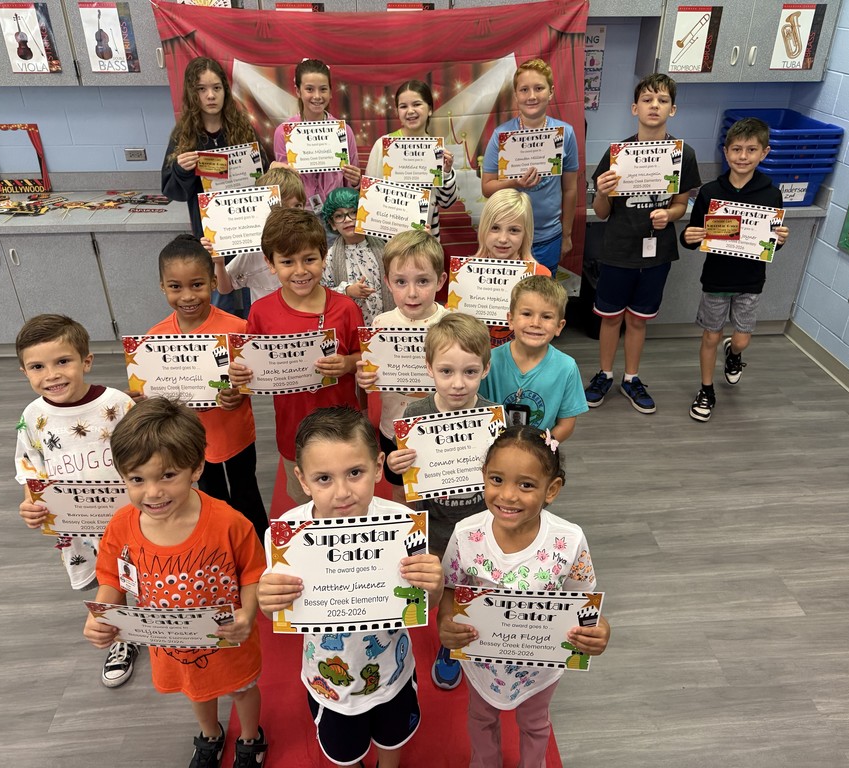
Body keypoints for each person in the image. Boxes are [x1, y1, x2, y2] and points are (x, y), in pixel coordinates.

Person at [83, 398, 266, 768]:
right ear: (122, 476)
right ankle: (210, 735)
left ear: (197, 466)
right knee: (195, 690)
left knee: (242, 689)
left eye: (167, 476)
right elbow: (112, 577)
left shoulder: (230, 522)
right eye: (137, 479)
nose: (152, 492)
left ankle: (250, 737)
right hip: (171, 642)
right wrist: (102, 614)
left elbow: (253, 574)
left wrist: (247, 614)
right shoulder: (121, 526)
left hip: (230, 637)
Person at [257, 406, 444, 768]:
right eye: (324, 478)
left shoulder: (403, 524)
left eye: (355, 472)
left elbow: (427, 603)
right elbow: (278, 609)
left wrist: (432, 583)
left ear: (378, 466)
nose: (342, 492)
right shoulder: (288, 535)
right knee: (344, 754)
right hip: (329, 682)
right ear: (302, 479)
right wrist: (267, 599)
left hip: (393, 671)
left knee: (394, 739)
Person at [437, 426, 610, 768]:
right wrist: (446, 622)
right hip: (480, 661)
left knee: (534, 723)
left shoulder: (570, 540)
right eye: (497, 479)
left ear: (552, 490)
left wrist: (600, 630)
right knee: (480, 717)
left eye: (526, 485)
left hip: (540, 669)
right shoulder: (466, 533)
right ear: (483, 477)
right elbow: (452, 587)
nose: (508, 496)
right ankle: (485, 762)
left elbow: (582, 601)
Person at [14, 314, 139, 688]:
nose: (51, 374)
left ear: (86, 360)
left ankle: (162, 626)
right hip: (79, 528)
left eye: (62, 361)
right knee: (106, 579)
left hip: (129, 517)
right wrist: (31, 505)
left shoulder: (115, 404)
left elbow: (144, 452)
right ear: (24, 372)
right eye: (38, 367)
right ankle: (123, 638)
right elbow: (30, 468)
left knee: (143, 573)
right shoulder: (32, 416)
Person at [382, 311, 495, 691]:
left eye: (470, 372)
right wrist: (395, 467)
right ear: (429, 368)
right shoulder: (414, 414)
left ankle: (457, 640)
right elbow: (403, 479)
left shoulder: (494, 418)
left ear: (486, 368)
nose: (458, 383)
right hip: (432, 525)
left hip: (479, 526)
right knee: (436, 589)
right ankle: (442, 635)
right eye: (446, 371)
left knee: (469, 587)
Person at [583, 73, 701, 415]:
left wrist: (671, 215)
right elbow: (602, 212)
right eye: (648, 100)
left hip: (656, 253)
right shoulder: (618, 154)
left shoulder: (683, 155)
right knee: (609, 317)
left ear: (673, 109)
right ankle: (605, 374)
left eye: (662, 100)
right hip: (618, 249)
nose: (654, 106)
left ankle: (631, 378)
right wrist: (603, 192)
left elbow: (681, 203)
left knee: (638, 320)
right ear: (635, 108)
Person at [228, 207, 363, 507]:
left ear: (323, 257)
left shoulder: (345, 308)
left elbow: (361, 357)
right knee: (305, 498)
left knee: (347, 498)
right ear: (270, 263)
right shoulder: (261, 313)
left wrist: (348, 363)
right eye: (287, 262)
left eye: (309, 259)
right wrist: (241, 376)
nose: (300, 271)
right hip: (293, 432)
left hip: (343, 427)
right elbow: (252, 366)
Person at [142, 235, 268, 536]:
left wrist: (239, 393)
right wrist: (144, 397)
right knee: (209, 496)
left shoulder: (238, 328)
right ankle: (220, 543)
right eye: (175, 287)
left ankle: (260, 548)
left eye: (197, 285)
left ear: (213, 282)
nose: (187, 296)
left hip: (235, 432)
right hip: (189, 438)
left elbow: (255, 379)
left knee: (245, 492)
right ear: (163, 287)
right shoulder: (154, 339)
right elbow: (155, 392)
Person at [680, 117, 790, 422]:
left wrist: (780, 239)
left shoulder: (771, 194)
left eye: (751, 150)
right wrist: (687, 237)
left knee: (740, 338)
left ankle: (735, 354)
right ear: (726, 152)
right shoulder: (710, 192)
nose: (743, 156)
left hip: (750, 281)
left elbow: (771, 244)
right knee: (710, 337)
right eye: (737, 149)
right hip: (716, 279)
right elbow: (693, 235)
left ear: (764, 153)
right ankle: (705, 390)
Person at [162, 56, 269, 315]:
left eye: (216, 88)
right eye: (202, 89)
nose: (210, 96)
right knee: (221, 300)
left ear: (225, 90)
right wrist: (181, 170)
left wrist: (272, 169)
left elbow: (264, 180)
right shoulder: (183, 136)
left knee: (254, 296)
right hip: (212, 239)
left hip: (248, 231)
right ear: (193, 93)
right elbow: (171, 191)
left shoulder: (243, 128)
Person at [354, 229, 449, 506]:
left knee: (441, 492)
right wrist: (365, 376)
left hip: (440, 425)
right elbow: (372, 375)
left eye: (422, 281)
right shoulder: (381, 325)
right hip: (394, 427)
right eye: (400, 281)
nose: (411, 293)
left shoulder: (451, 323)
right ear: (387, 282)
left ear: (440, 280)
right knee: (402, 491)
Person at [480, 59, 579, 275]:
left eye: (539, 88)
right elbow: (486, 188)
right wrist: (514, 182)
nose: (532, 96)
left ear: (551, 92)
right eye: (524, 90)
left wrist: (567, 235)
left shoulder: (566, 134)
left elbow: (570, 189)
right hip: (508, 239)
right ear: (516, 96)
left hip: (548, 237)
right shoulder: (501, 137)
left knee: (541, 299)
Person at [480, 276, 587, 441]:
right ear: (510, 319)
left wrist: (538, 448)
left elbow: (566, 424)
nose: (535, 323)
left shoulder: (567, 367)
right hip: (493, 449)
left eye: (546, 317)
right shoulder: (489, 361)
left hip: (540, 455)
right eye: (527, 313)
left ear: (560, 326)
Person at [365, 80, 459, 240]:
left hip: (426, 241)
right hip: (390, 242)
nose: (410, 111)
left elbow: (447, 202)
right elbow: (371, 198)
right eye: (403, 106)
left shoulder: (437, 151)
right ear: (397, 111)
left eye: (417, 104)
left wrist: (447, 172)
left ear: (429, 109)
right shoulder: (383, 146)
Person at [272, 58, 361, 211]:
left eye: (323, 89)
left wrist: (355, 181)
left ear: (331, 92)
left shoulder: (344, 131)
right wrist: (279, 172)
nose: (317, 96)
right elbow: (285, 188)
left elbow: (351, 188)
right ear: (298, 91)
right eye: (310, 89)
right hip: (301, 217)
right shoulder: (283, 133)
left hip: (335, 217)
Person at [214, 166, 307, 306]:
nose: (291, 214)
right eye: (282, 207)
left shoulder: (311, 242)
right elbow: (225, 288)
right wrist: (219, 263)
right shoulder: (255, 251)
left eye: (298, 206)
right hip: (266, 323)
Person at [473, 189, 551, 348]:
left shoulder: (540, 275)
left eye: (514, 230)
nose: (503, 239)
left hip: (521, 359)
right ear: (483, 229)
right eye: (494, 228)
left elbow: (543, 326)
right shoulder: (465, 271)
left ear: (525, 234)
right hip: (475, 359)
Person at [320, 186, 392, 325]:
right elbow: (323, 292)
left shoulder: (385, 249)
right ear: (332, 224)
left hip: (385, 323)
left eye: (354, 213)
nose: (347, 219)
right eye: (339, 216)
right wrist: (347, 290)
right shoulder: (330, 258)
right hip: (351, 326)